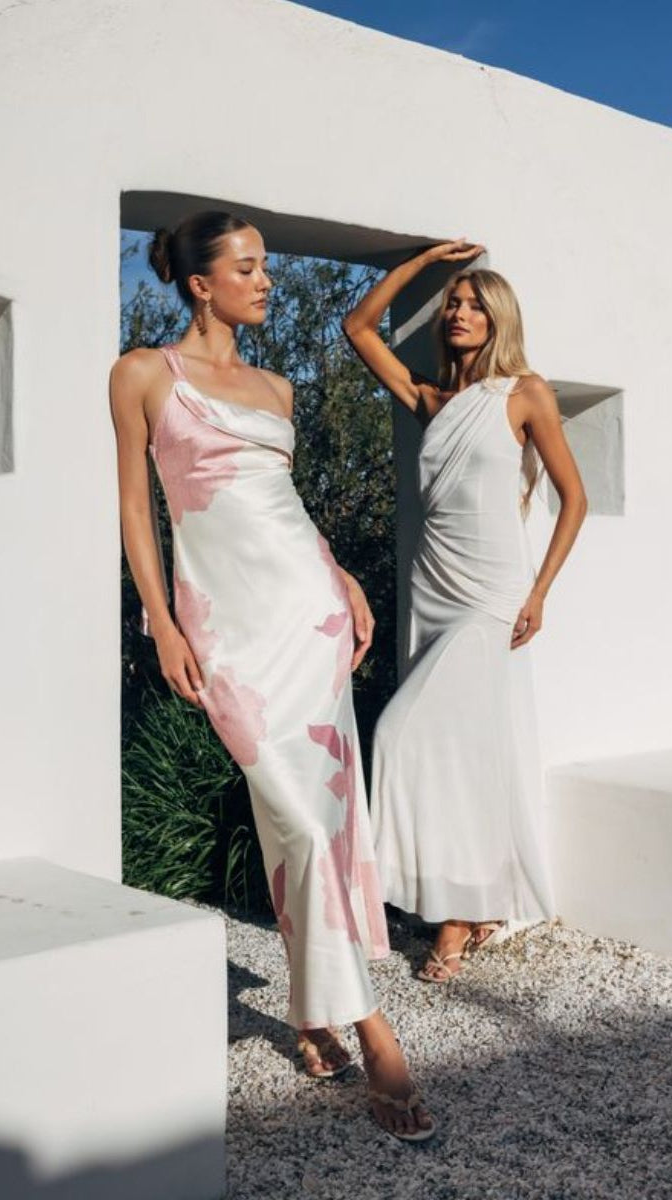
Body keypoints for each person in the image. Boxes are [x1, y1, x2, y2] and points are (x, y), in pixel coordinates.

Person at [108, 210, 435, 1139]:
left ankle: (334, 1017)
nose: (267, 282)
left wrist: (346, 580)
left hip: (309, 613)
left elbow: (285, 507)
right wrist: (163, 621)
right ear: (200, 282)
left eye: (267, 267)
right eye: (248, 268)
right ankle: (367, 1025)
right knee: (289, 807)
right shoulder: (142, 375)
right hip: (228, 625)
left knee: (317, 818)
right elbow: (137, 507)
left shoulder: (277, 387)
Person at [343, 240, 587, 983]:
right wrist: (422, 266)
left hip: (491, 594)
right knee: (457, 753)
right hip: (434, 587)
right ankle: (463, 905)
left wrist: (539, 590)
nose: (459, 312)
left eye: (475, 303)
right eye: (454, 302)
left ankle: (453, 919)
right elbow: (357, 329)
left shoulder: (526, 393)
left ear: (498, 319)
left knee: (399, 730)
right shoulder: (429, 401)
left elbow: (575, 499)